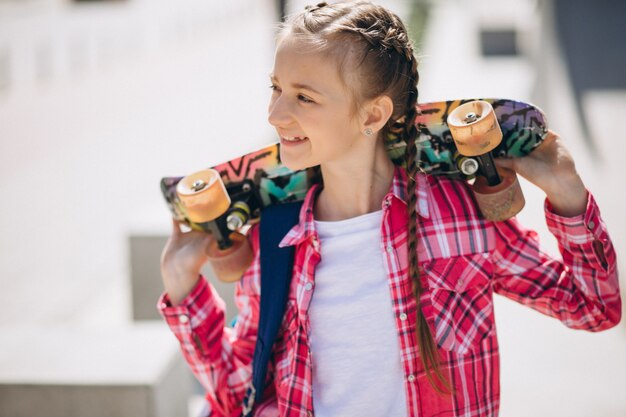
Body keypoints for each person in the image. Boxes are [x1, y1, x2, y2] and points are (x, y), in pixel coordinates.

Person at [158, 1, 621, 416]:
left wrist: (568, 196)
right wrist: (183, 288)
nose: (275, 114)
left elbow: (594, 308)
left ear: (374, 115)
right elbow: (239, 393)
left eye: (304, 96)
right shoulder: (276, 238)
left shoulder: (457, 218)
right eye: (276, 88)